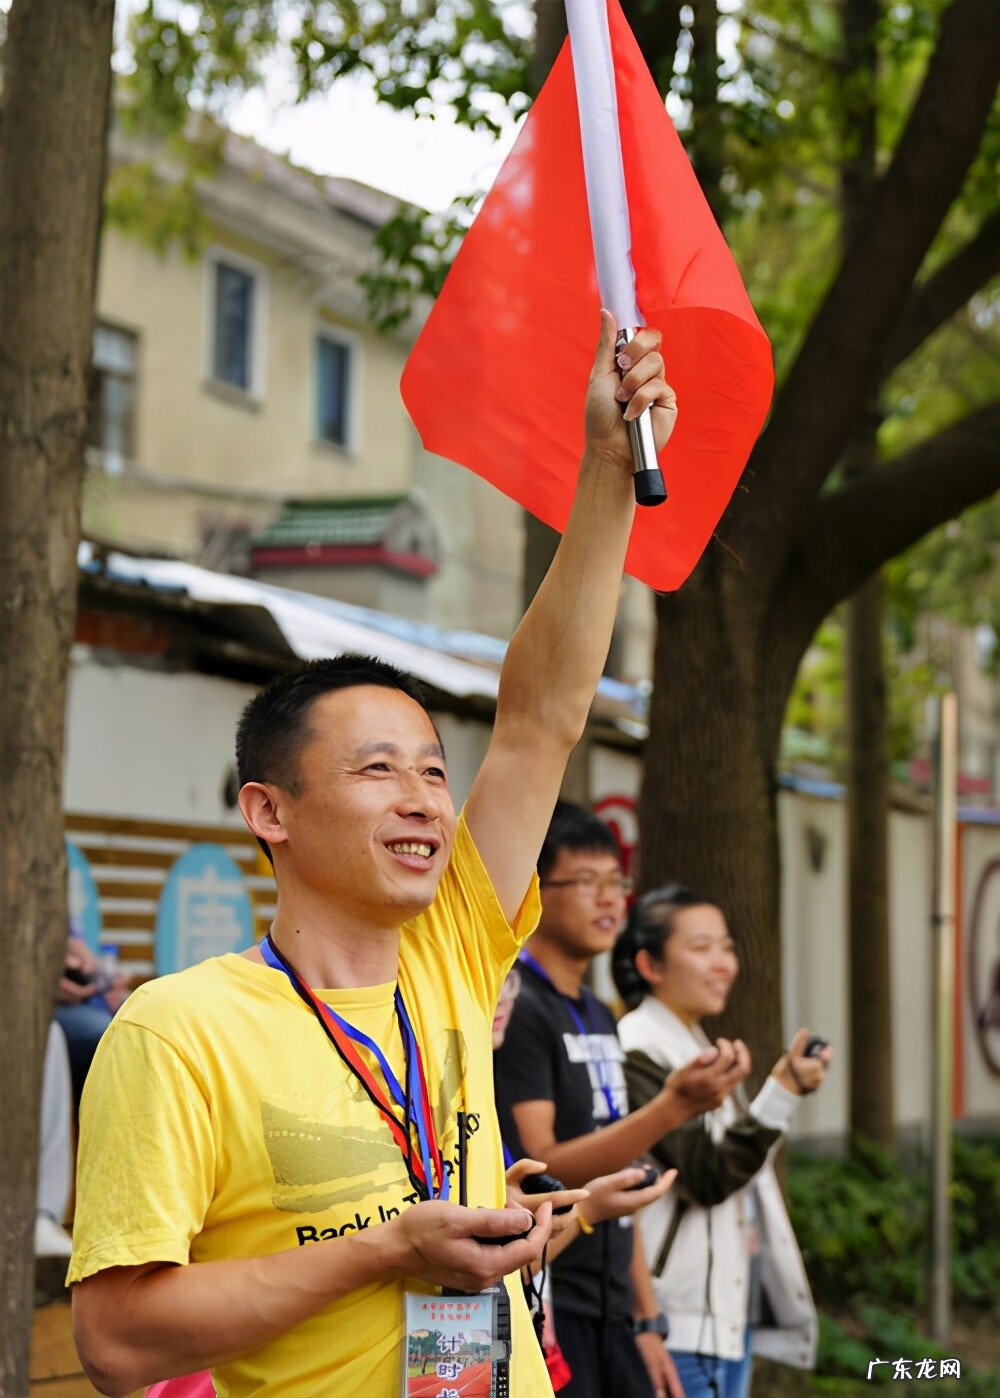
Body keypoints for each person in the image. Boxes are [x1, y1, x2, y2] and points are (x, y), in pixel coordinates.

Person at [69, 311, 679, 1398]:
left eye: (435, 771)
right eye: (377, 770)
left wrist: (602, 466)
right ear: (270, 811)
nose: (424, 801)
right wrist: (386, 1250)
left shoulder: (453, 952)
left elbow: (541, 716)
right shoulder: (176, 1031)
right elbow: (115, 1342)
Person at [496, 802, 752, 1398]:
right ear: (533, 893)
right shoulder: (521, 1007)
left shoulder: (597, 1012)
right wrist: (672, 1108)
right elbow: (545, 1168)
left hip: (615, 1307)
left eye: (616, 882)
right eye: (586, 881)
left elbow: (625, 1179)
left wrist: (646, 1319)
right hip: (557, 1299)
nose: (609, 898)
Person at [614, 884, 832, 1398]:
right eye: (701, 947)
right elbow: (707, 1175)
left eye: (727, 947)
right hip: (674, 1323)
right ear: (650, 964)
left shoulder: (695, 1043)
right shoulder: (638, 1046)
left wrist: (782, 1089)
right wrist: (781, 1092)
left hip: (723, 1321)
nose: (723, 964)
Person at [54, 932, 131, 1107]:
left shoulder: (72, 934)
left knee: (127, 1014)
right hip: (68, 1003)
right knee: (104, 1030)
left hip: (93, 999)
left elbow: (88, 963)